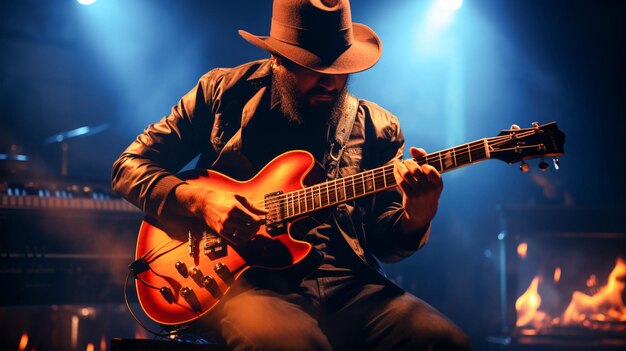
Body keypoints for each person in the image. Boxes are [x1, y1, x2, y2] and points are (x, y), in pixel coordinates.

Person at [112, 0, 472, 350]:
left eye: (340, 70)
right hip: (249, 284)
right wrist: (203, 200)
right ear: (278, 59)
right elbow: (129, 166)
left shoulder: (378, 127)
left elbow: (384, 243)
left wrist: (416, 216)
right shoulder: (222, 92)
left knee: (444, 342)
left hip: (348, 283)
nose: (331, 84)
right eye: (314, 69)